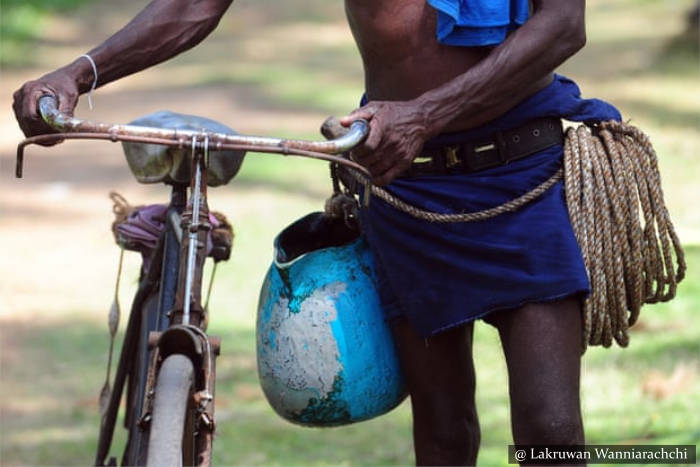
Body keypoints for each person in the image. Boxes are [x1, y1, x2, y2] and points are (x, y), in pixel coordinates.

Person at [13, 1, 620, 465]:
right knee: (443, 430)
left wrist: (426, 114)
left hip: (518, 172)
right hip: (402, 182)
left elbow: (565, 24)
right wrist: (79, 73)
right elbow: (196, 6)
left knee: (551, 430)